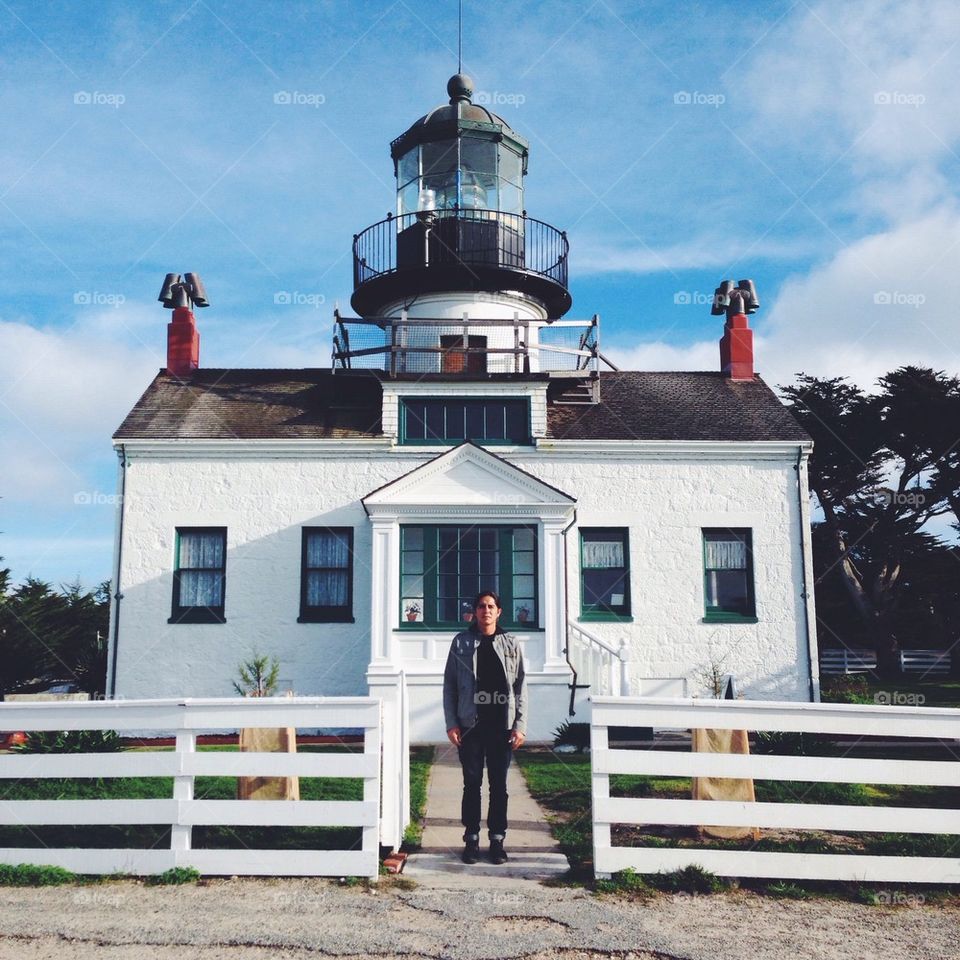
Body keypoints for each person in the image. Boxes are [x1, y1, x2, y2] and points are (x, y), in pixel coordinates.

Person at [442, 590, 527, 865]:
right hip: (471, 725)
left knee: (499, 786)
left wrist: (520, 725)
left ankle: (498, 840)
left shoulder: (511, 643)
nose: (486, 611)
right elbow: (450, 686)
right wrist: (452, 723)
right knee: (471, 783)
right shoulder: (461, 642)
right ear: (475, 611)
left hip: (501, 726)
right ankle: (471, 839)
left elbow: (520, 687)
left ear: (499, 612)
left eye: (491, 606)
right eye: (481, 606)